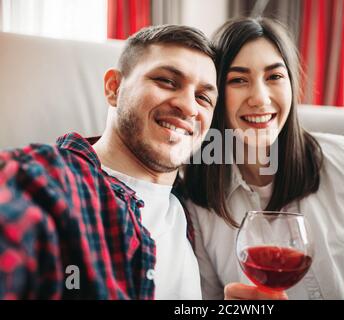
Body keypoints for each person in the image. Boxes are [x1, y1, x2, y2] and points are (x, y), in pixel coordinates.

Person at [181, 17, 344, 300]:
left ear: (291, 84)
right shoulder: (197, 194)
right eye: (238, 80)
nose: (260, 98)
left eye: (274, 77)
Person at [0, 24, 218, 299]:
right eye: (166, 81)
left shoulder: (194, 208)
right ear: (114, 88)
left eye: (203, 97)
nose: (189, 107)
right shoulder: (50, 179)